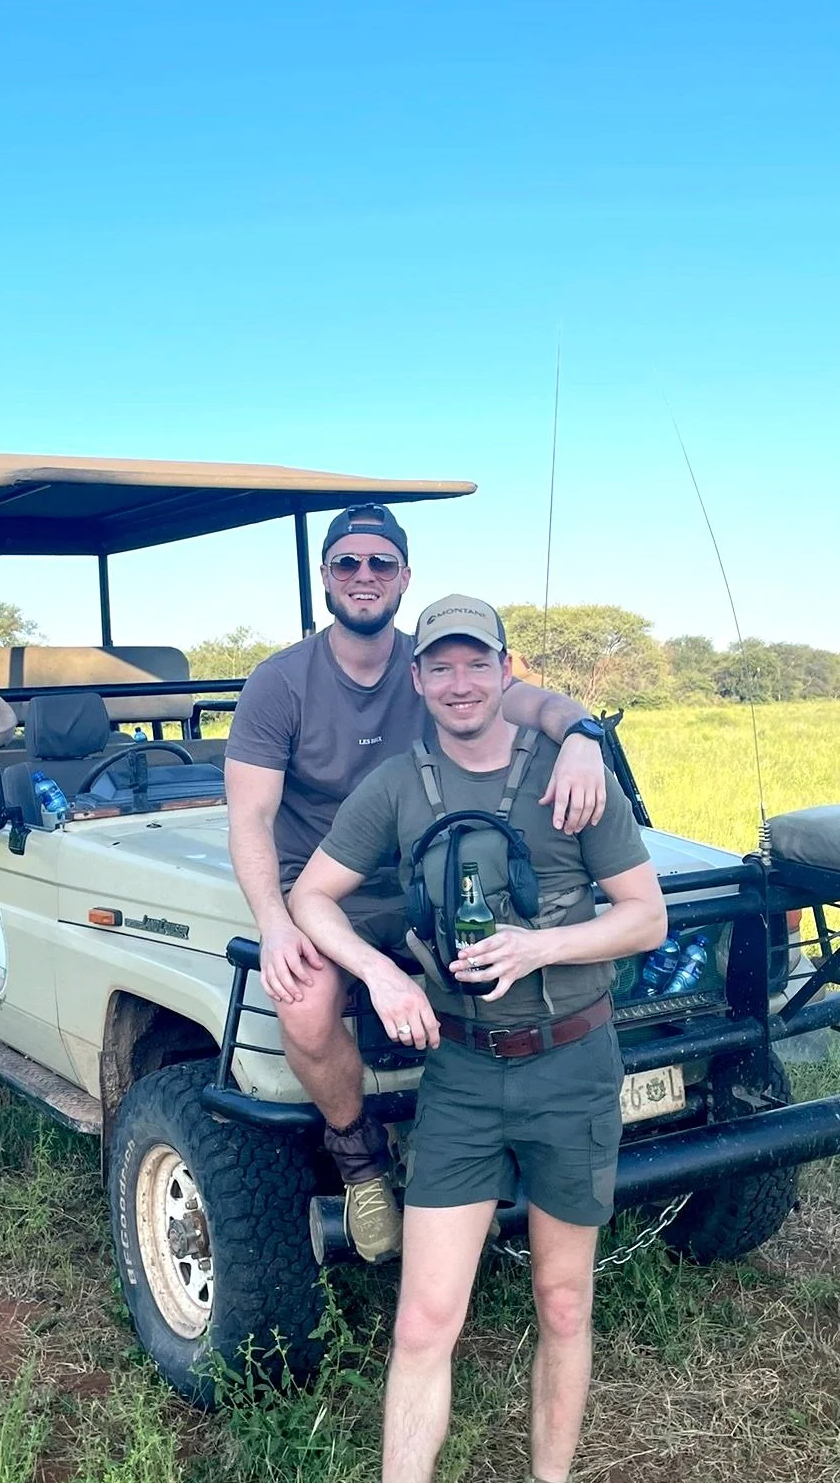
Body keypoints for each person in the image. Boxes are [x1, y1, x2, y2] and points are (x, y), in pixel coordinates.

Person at [265, 594, 666, 1483]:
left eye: (473, 662)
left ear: (503, 668)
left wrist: (540, 946)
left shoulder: (567, 772)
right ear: (423, 680)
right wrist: (382, 969)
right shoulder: (397, 785)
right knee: (426, 1313)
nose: (456, 682)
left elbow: (647, 914)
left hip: (575, 1062)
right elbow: (312, 893)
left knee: (563, 1299)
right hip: (463, 1074)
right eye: (437, 666)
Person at [225, 503, 613, 1264]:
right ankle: (361, 1160)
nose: (362, 577)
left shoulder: (439, 662)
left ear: (403, 577)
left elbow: (534, 703)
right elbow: (251, 813)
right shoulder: (281, 683)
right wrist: (273, 921)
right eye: (347, 564)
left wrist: (581, 737)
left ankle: (529, 1132)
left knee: (527, 960)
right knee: (302, 1005)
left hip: (432, 876)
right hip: (325, 886)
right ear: (326, 577)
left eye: (379, 564)